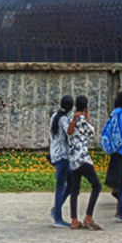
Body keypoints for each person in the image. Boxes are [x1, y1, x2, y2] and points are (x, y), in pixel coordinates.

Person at [65, 95, 102, 230]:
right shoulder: (81, 119)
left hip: (73, 160)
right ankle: (88, 217)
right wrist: (87, 117)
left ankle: (74, 220)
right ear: (86, 106)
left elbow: (68, 132)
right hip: (83, 159)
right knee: (97, 186)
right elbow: (91, 133)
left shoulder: (71, 118)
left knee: (75, 190)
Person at [48, 95, 74, 227]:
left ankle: (56, 209)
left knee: (71, 183)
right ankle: (57, 218)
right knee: (61, 186)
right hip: (63, 156)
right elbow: (70, 133)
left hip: (55, 154)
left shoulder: (54, 116)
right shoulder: (64, 119)